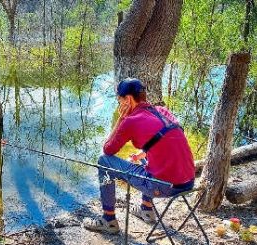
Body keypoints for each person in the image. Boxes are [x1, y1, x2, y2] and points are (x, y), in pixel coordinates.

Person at [82, 78, 195, 234]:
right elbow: (170, 141)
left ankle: (108, 220)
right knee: (144, 157)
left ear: (128, 99)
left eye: (119, 101)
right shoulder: (163, 111)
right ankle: (146, 210)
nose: (119, 105)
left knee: (104, 162)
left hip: (163, 187)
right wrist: (143, 154)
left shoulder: (130, 121)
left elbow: (108, 149)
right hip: (188, 182)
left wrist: (120, 119)